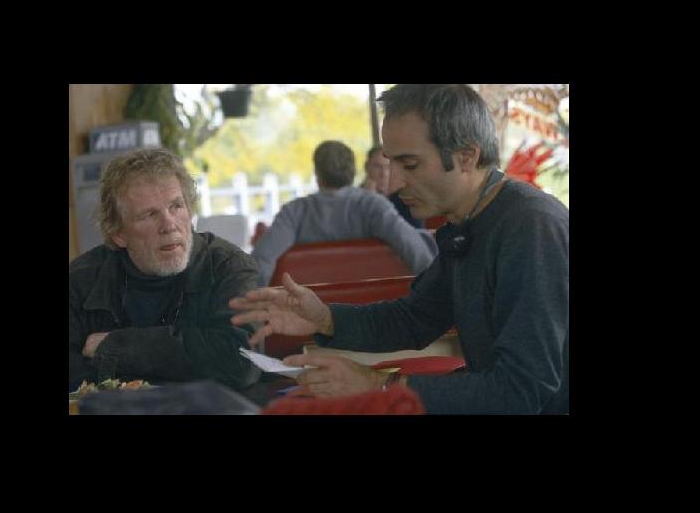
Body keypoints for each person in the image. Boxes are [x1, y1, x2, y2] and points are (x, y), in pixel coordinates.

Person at [230, 84, 568, 414]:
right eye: (391, 162)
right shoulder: (467, 222)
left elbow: (522, 391)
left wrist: (379, 385)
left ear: (466, 157)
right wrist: (324, 319)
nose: (393, 182)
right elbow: (415, 319)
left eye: (410, 165)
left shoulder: (531, 226)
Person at [69, 148, 261, 392]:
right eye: (149, 215)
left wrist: (116, 346)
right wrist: (189, 357)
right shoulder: (81, 280)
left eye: (176, 206)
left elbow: (242, 361)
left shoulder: (228, 267)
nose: (169, 225)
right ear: (118, 234)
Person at [251, 140, 437, 287]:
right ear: (354, 172)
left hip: (304, 313)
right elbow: (415, 250)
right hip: (374, 310)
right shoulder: (373, 206)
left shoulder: (294, 212)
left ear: (317, 174)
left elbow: (261, 259)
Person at [361, 145, 422, 228]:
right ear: (367, 167)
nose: (384, 174)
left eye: (388, 167)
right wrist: (369, 200)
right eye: (378, 166)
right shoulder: (354, 198)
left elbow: (413, 233)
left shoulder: (407, 199)